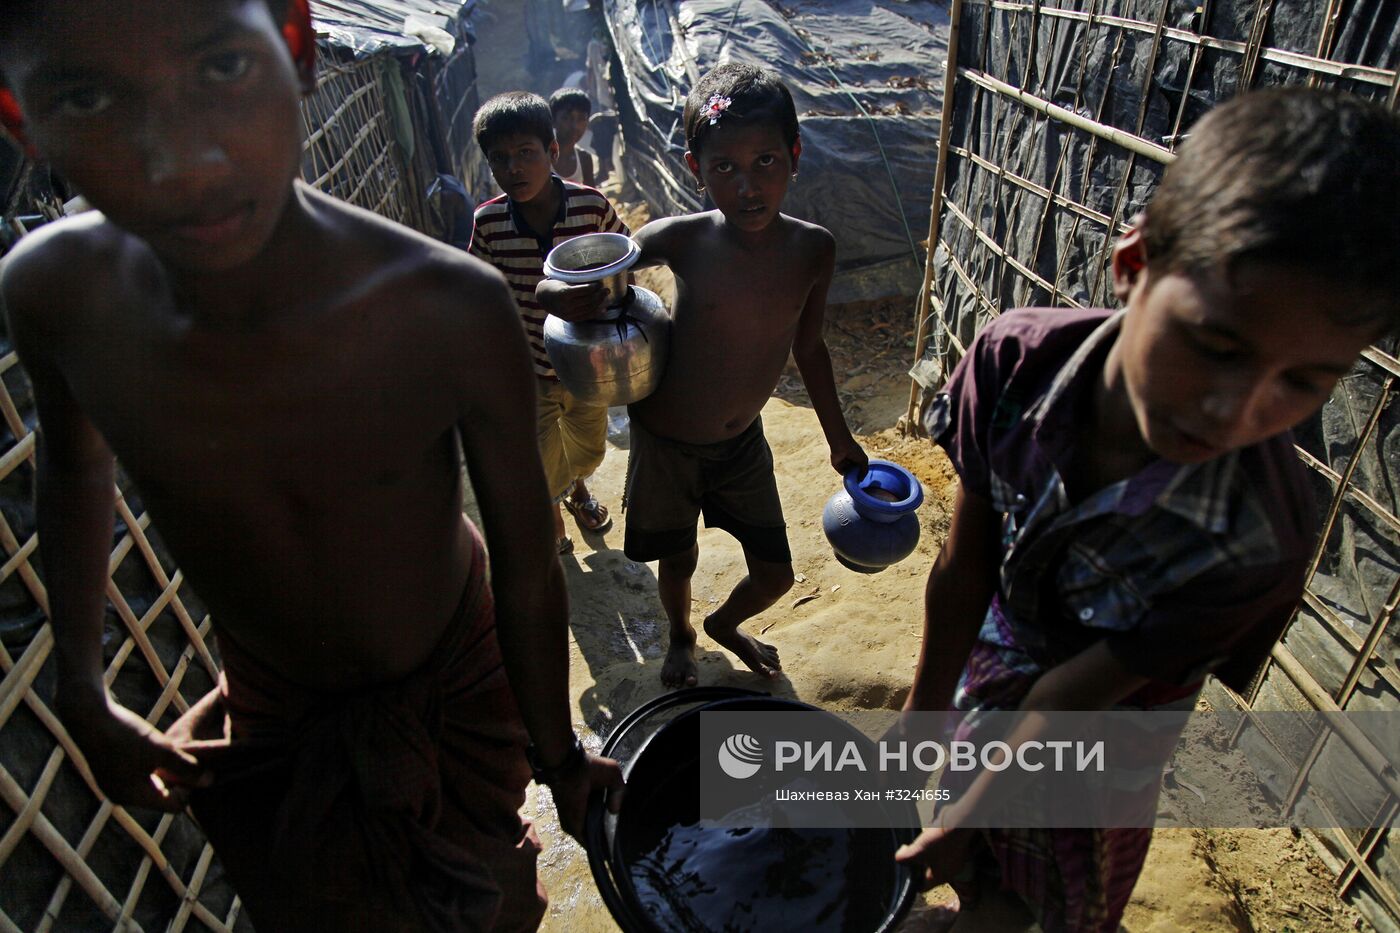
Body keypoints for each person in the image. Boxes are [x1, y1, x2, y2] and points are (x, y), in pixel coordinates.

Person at [0, 2, 621, 930]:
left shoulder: (446, 305)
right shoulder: (55, 293)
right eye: (86, 96)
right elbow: (75, 465)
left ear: (295, 49)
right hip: (272, 699)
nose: (183, 162)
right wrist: (83, 689)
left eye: (218, 70)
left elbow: (528, 569)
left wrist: (556, 751)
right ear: (19, 119)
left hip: (449, 673)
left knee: (488, 898)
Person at [894, 87, 1400, 932]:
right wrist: (921, 719)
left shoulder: (1252, 537)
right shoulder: (1013, 363)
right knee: (969, 843)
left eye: (1304, 383)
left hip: (1107, 726)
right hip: (1004, 646)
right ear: (1134, 266)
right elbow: (963, 567)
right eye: (1216, 346)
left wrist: (970, 807)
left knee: (1061, 877)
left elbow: (1073, 699)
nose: (1235, 411)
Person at [541, 63, 867, 688]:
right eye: (725, 168)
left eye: (766, 161)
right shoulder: (681, 239)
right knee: (678, 556)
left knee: (775, 575)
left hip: (742, 443)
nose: (748, 186)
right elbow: (582, 269)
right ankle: (683, 636)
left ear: (794, 155)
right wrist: (557, 295)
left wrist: (839, 437)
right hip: (666, 440)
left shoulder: (812, 250)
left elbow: (811, 347)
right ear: (696, 169)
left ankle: (724, 624)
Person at [470, 91, 626, 555]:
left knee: (588, 446)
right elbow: (484, 290)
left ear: (553, 152)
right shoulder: (490, 222)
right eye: (500, 159)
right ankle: (555, 513)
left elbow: (624, 262)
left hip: (586, 364)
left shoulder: (591, 207)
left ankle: (577, 490)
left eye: (525, 154)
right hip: (529, 365)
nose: (514, 168)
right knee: (540, 454)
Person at [548, 86, 596, 188]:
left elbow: (592, 199)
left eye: (581, 118)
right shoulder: (543, 158)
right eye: (566, 118)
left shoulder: (584, 159)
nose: (575, 126)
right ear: (553, 121)